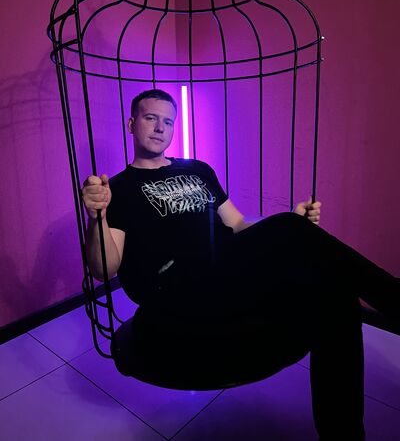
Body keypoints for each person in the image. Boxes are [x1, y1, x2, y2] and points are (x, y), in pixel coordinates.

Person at [82, 88, 399, 440]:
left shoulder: (198, 169)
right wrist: (97, 216)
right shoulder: (118, 188)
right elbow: (103, 268)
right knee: (292, 232)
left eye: (168, 122)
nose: (160, 128)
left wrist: (288, 229)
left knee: (336, 294)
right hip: (174, 285)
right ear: (131, 124)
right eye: (150, 118)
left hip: (225, 270)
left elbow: (238, 225)